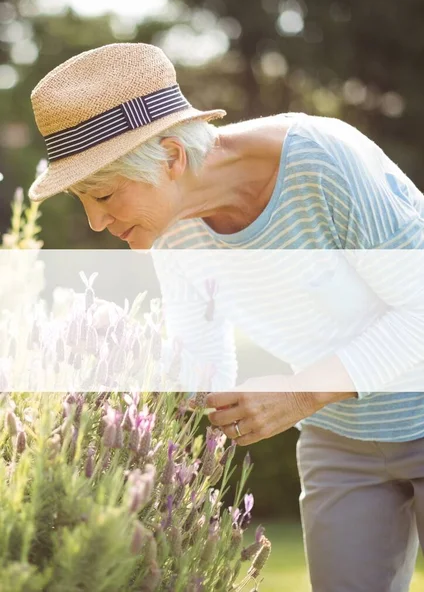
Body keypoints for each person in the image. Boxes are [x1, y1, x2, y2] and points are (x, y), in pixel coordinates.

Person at [29, 43, 424, 592]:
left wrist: (299, 394)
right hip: (339, 441)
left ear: (171, 157)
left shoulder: (323, 159)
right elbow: (203, 361)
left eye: (103, 194)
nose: (96, 223)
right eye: (83, 201)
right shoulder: (172, 231)